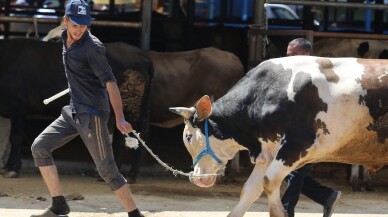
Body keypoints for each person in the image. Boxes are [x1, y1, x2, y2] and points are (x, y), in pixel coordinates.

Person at [30, 0, 144, 216]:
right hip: (73, 110)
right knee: (40, 147)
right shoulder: (64, 38)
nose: (80, 29)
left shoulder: (93, 49)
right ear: (65, 21)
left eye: (84, 25)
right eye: (75, 24)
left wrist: (119, 118)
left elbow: (110, 83)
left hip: (93, 114)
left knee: (107, 170)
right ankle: (59, 204)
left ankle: (135, 214)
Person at [281, 38, 342, 217]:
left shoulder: (318, 73)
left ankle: (286, 209)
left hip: (314, 129)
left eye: (293, 55)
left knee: (294, 170)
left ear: (307, 54)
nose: (289, 58)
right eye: (287, 54)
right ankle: (327, 196)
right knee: (287, 170)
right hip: (297, 128)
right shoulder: (293, 71)